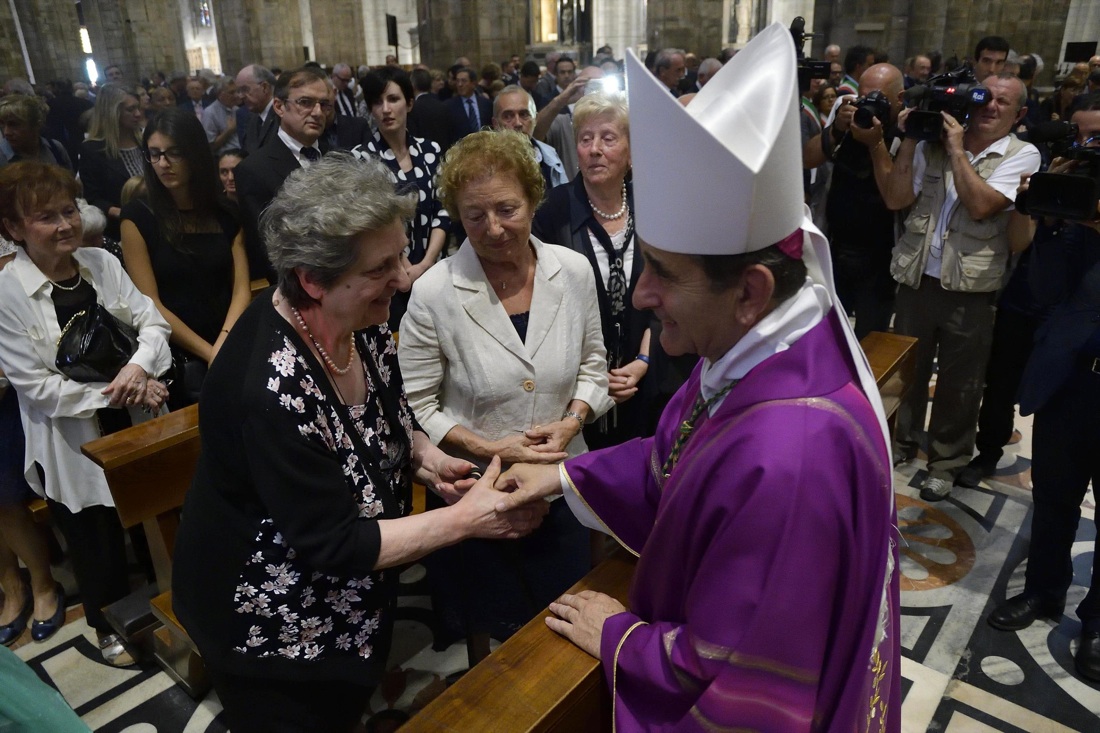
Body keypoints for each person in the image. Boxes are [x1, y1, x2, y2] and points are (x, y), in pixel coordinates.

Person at [495, 24, 900, 731]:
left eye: (664, 273)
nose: (642, 294)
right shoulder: (761, 345)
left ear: (749, 289)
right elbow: (677, 456)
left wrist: (620, 635)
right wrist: (562, 476)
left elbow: (741, 677)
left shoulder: (790, 457)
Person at [171, 152, 546, 732]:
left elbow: (388, 414)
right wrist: (468, 520)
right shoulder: (266, 386)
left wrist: (426, 458)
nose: (402, 278)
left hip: (345, 600)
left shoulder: (359, 320)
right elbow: (336, 543)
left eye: (400, 255)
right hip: (269, 618)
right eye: (380, 268)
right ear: (312, 280)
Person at [397, 129, 613, 661]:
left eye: (507, 209)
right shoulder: (435, 292)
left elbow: (594, 365)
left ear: (535, 200)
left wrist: (573, 421)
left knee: (561, 624)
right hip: (476, 491)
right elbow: (419, 405)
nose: (492, 228)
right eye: (474, 216)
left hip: (563, 478)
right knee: (490, 636)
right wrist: (495, 450)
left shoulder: (574, 270)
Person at [0, 162, 171, 664]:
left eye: (69, 211)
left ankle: (167, 613)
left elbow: (152, 324)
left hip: (136, 417)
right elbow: (36, 387)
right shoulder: (7, 292)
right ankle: (109, 627)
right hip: (70, 436)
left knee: (150, 522)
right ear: (12, 229)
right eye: (45, 217)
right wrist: (123, 392)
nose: (64, 225)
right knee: (93, 539)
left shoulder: (102, 262)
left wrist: (137, 369)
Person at [879, 72, 1041, 501]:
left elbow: (983, 205)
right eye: (985, 97)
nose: (990, 107)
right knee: (906, 373)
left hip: (971, 284)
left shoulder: (1021, 155)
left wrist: (955, 150)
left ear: (1020, 113)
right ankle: (898, 442)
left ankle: (946, 462)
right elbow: (896, 199)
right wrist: (912, 137)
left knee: (960, 382)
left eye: (1003, 103)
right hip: (916, 275)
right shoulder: (931, 140)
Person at [986, 100, 1100, 684]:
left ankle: (1098, 622)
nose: (1088, 153)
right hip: (1069, 382)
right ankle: (1044, 591)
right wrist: (1049, 218)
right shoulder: (1072, 215)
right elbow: (1047, 289)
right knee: (1054, 496)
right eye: (1080, 142)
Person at [532, 93, 653, 449]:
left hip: (644, 377)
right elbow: (543, 306)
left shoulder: (652, 206)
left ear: (631, 152)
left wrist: (645, 359)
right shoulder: (552, 212)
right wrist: (593, 373)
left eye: (608, 138)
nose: (595, 149)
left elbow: (670, 289)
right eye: (586, 139)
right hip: (573, 388)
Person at [120, 108, 250, 409]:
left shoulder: (225, 214)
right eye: (154, 154)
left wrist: (223, 345)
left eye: (173, 153)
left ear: (194, 153)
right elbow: (149, 302)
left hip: (230, 341)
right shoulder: (137, 217)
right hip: (177, 355)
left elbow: (241, 289)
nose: (163, 163)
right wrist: (209, 352)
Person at [352, 68, 449, 330]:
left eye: (393, 99)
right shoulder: (362, 158)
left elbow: (443, 211)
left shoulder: (430, 150)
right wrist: (404, 267)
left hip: (433, 270)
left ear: (409, 103)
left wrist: (427, 263)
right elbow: (373, 224)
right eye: (377, 102)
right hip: (389, 279)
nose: (385, 109)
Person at [79, 84, 145, 240]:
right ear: (113, 113)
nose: (138, 114)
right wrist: (122, 213)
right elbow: (93, 198)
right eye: (130, 110)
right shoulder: (93, 149)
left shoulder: (143, 140)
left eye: (138, 108)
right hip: (120, 229)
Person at [0, 94, 73, 170]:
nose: (6, 132)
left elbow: (69, 180)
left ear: (36, 125)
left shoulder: (55, 149)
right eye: (2, 124)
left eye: (14, 124)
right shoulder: (2, 156)